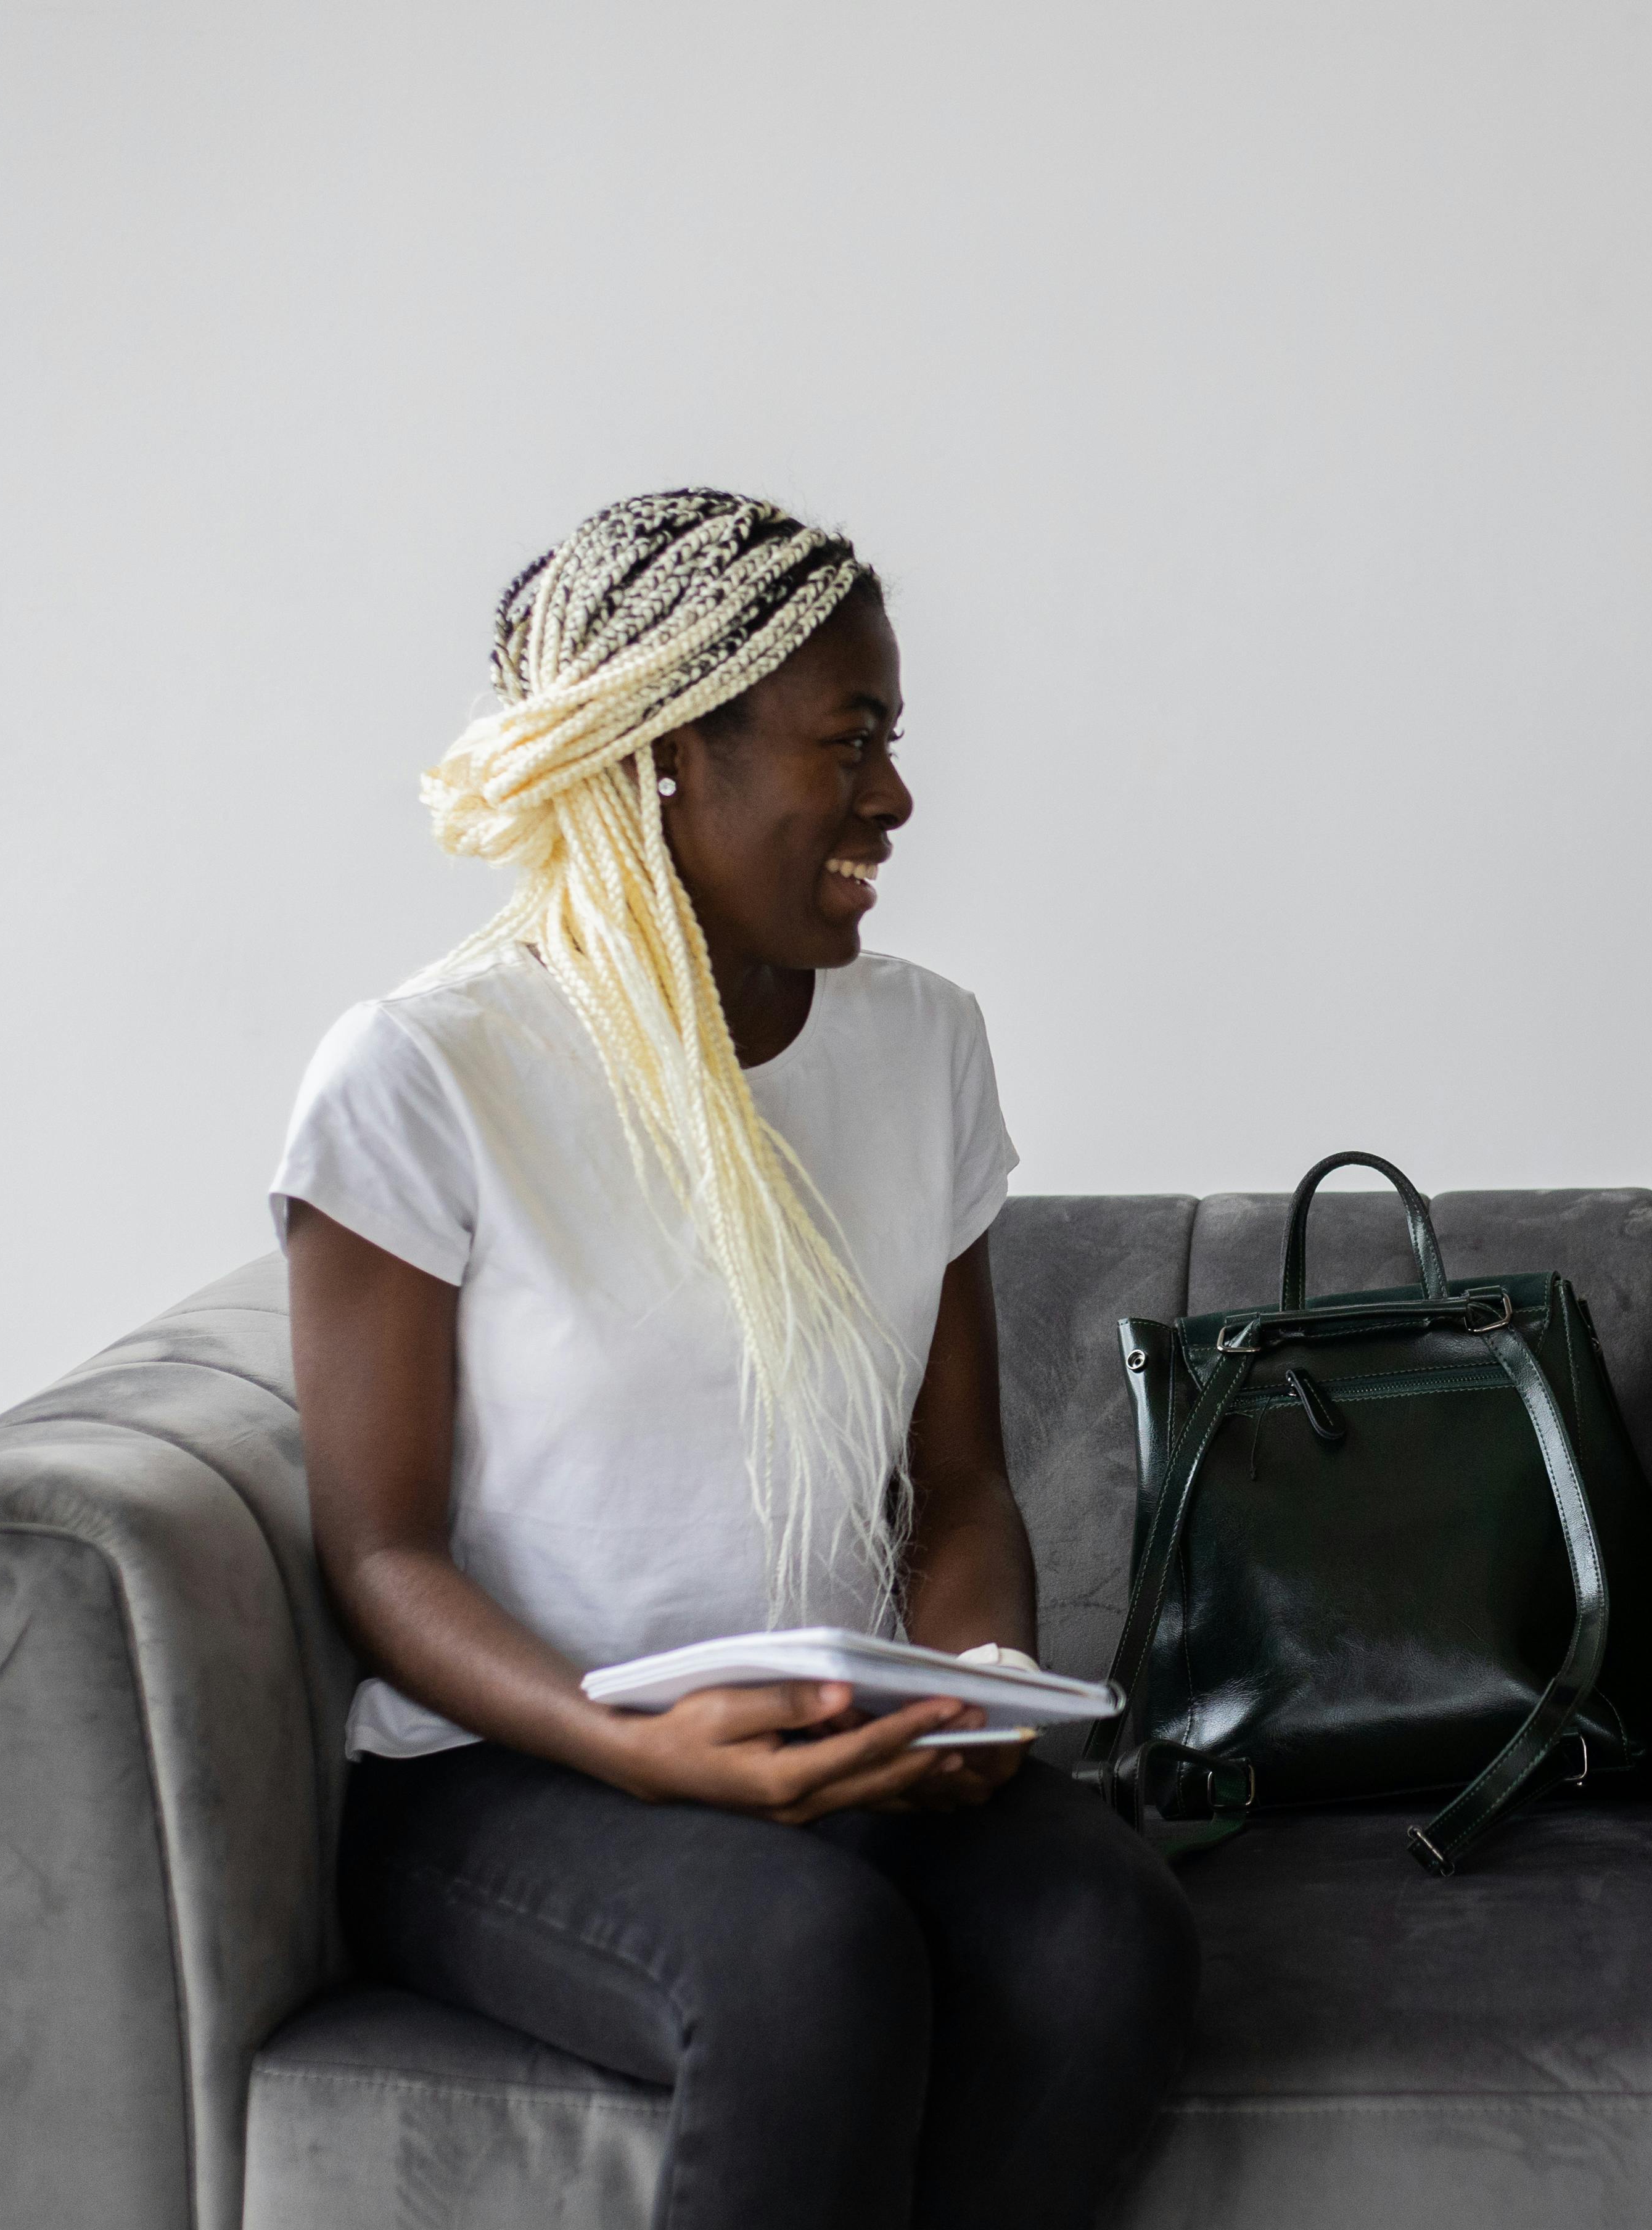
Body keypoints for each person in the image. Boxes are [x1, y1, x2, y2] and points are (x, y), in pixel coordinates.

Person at [274, 490, 1196, 2230]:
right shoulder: (423, 1073)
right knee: (809, 1960)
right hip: (516, 1771)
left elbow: (963, 1483)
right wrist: (639, 1753)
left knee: (1108, 1937)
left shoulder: (923, 1044)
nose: (897, 800)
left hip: (841, 1737)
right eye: (850, 743)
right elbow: (378, 1553)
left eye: (894, 740)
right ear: (663, 760)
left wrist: (969, 1676)